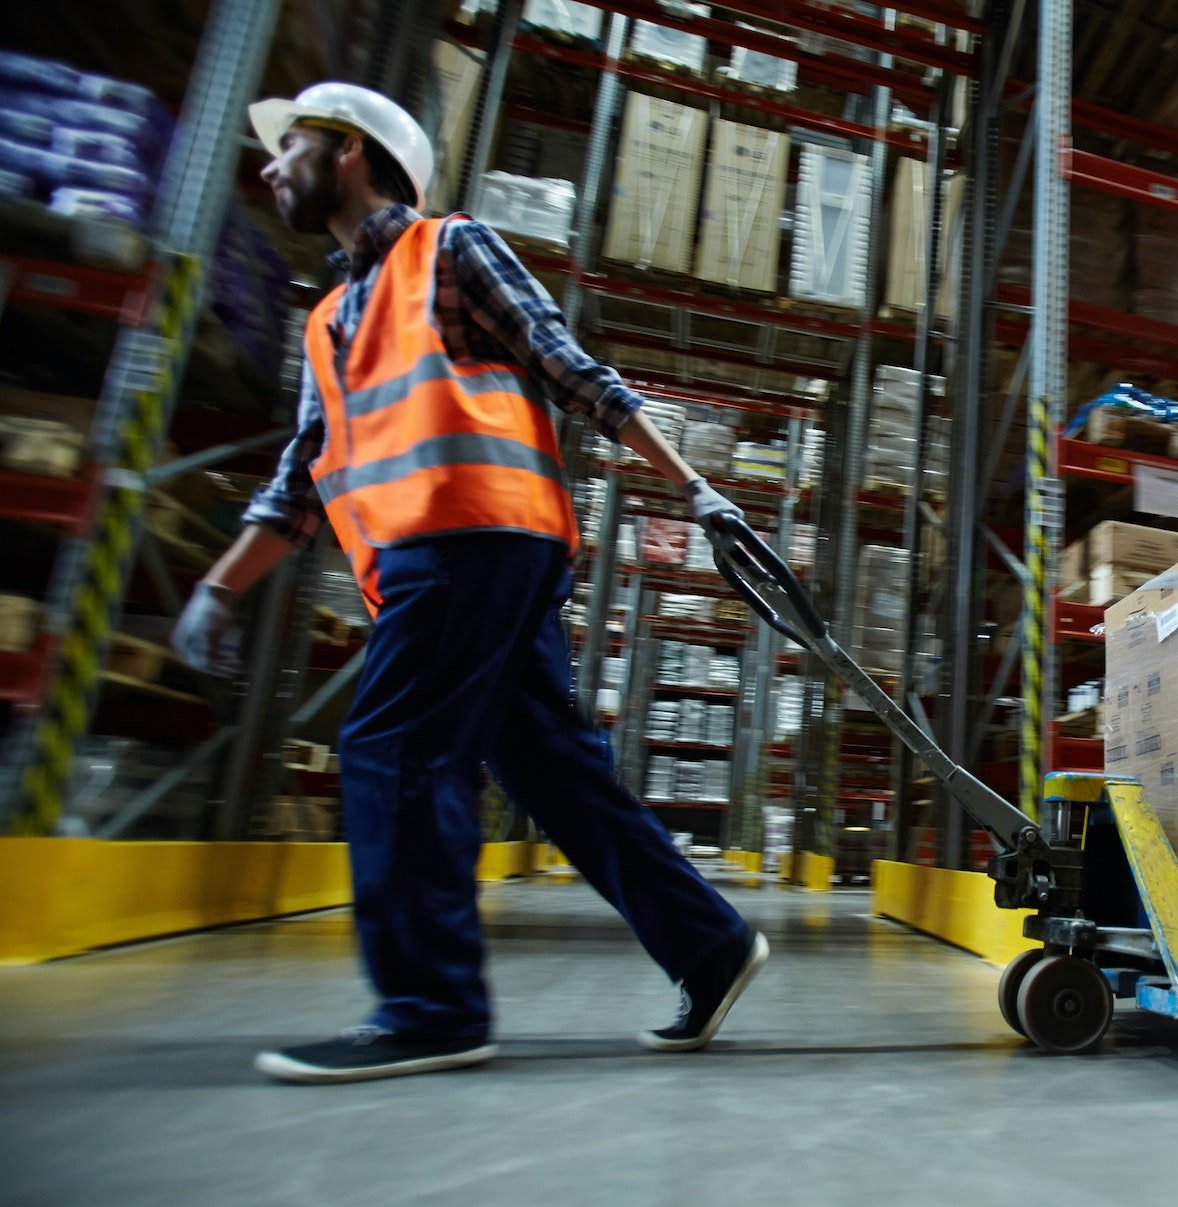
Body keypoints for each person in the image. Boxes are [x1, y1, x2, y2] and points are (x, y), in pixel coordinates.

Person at [173, 84, 767, 1085]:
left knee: (394, 745)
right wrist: (220, 586)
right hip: (443, 556)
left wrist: (693, 486)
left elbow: (571, 369)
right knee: (544, 763)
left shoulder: (448, 250)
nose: (269, 167)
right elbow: (298, 478)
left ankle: (430, 1007)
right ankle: (707, 944)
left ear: (353, 152)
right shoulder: (326, 321)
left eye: (292, 147)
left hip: (473, 537)